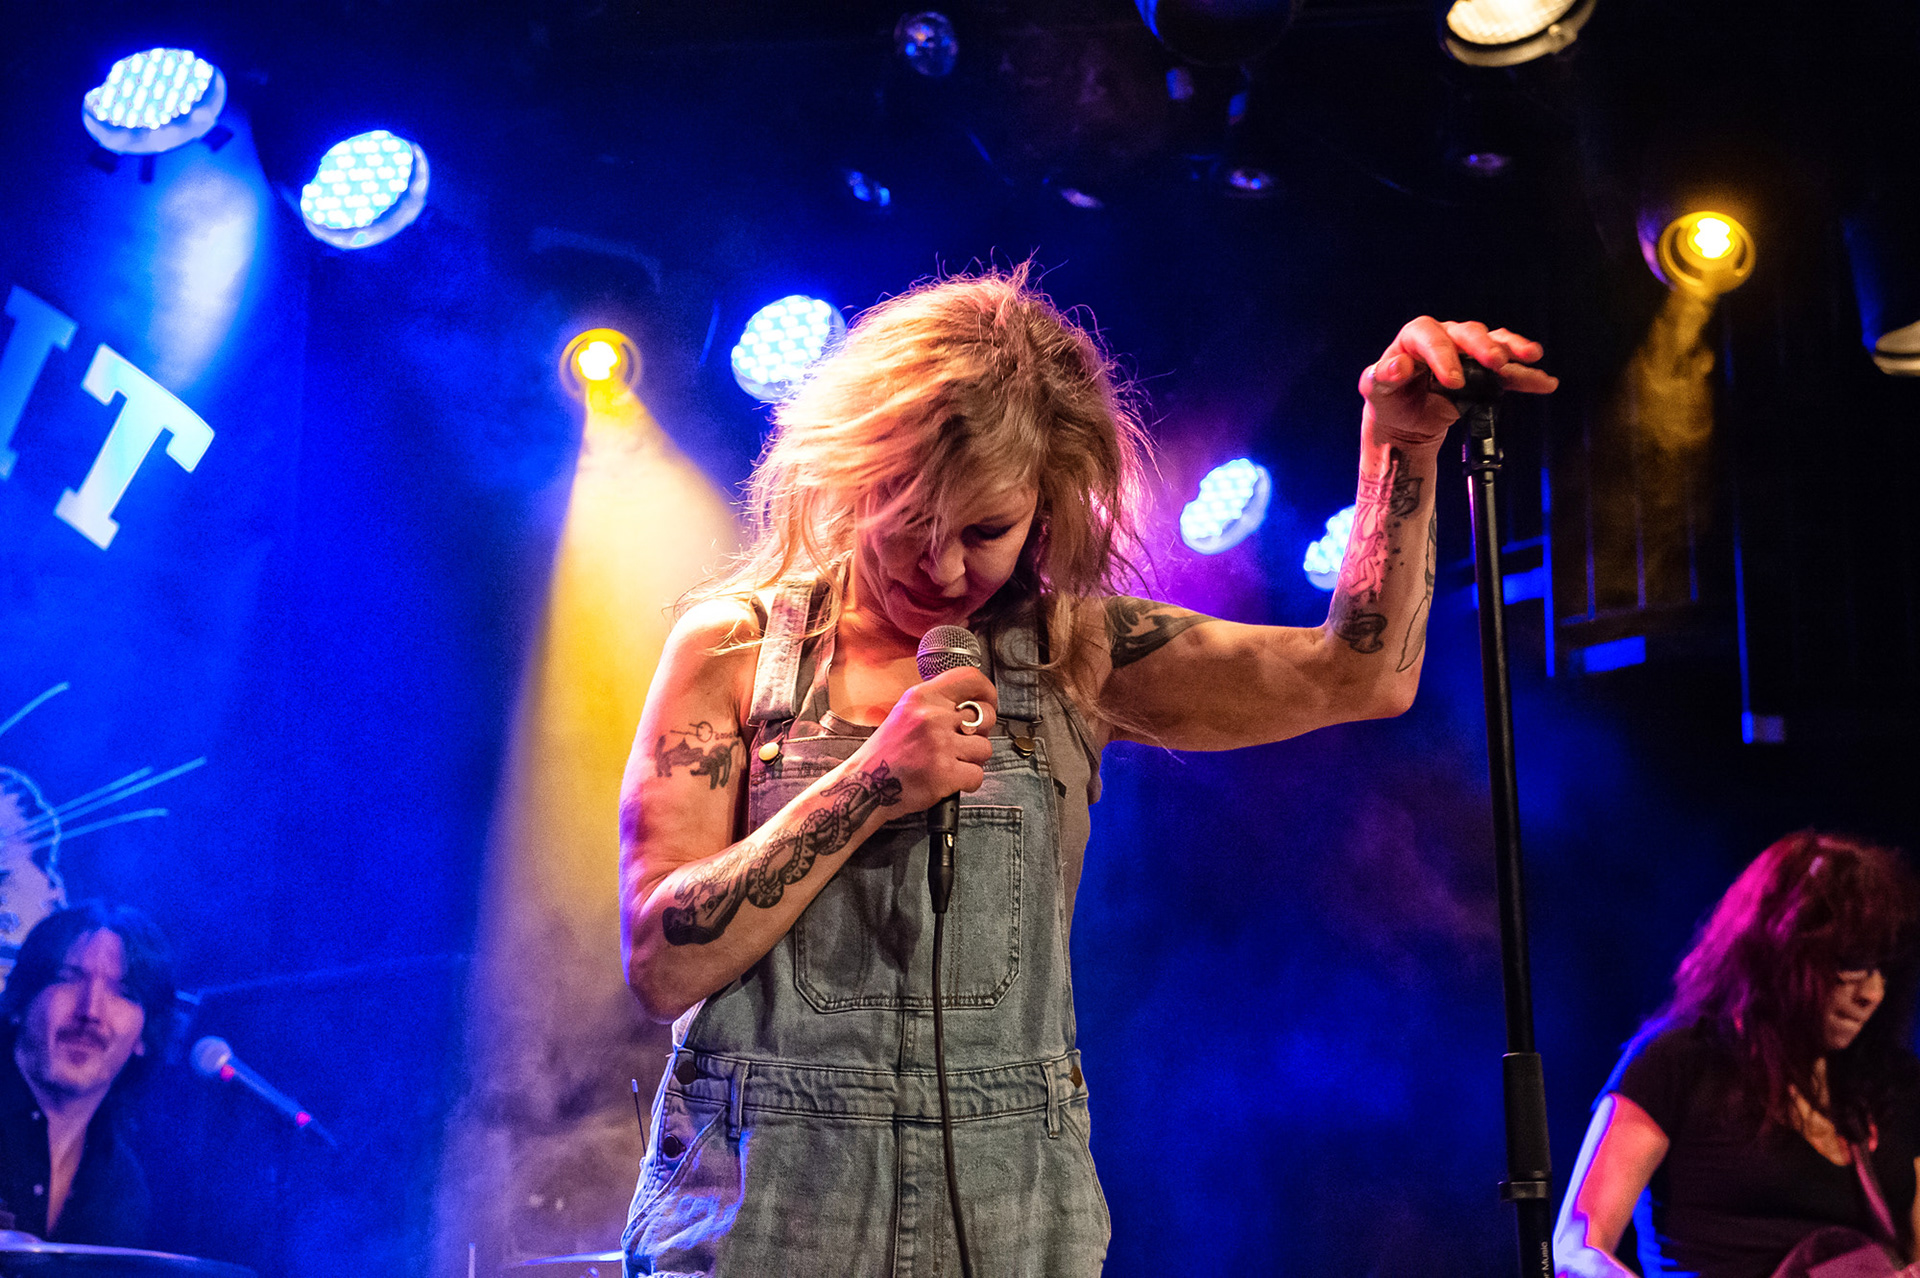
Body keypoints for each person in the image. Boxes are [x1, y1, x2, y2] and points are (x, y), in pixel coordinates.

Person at [618, 264, 1556, 1275]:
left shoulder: (1076, 651)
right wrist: (868, 785)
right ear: (854, 473)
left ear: (1045, 511)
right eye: (911, 519)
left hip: (1012, 1210)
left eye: (985, 531)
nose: (942, 567)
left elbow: (1361, 676)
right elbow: (662, 962)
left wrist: (1400, 445)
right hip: (766, 1207)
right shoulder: (734, 650)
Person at [1554, 831, 1920, 1278]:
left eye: (1883, 968)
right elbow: (1577, 1247)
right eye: (1852, 963)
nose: (1873, 993)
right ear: (1785, 947)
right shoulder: (1681, 1062)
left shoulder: (1891, 1088)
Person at [0, 900, 175, 1247]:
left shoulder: (122, 1187)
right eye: (68, 979)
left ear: (143, 1036)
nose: (91, 1011)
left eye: (124, 993)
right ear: (21, 1002)